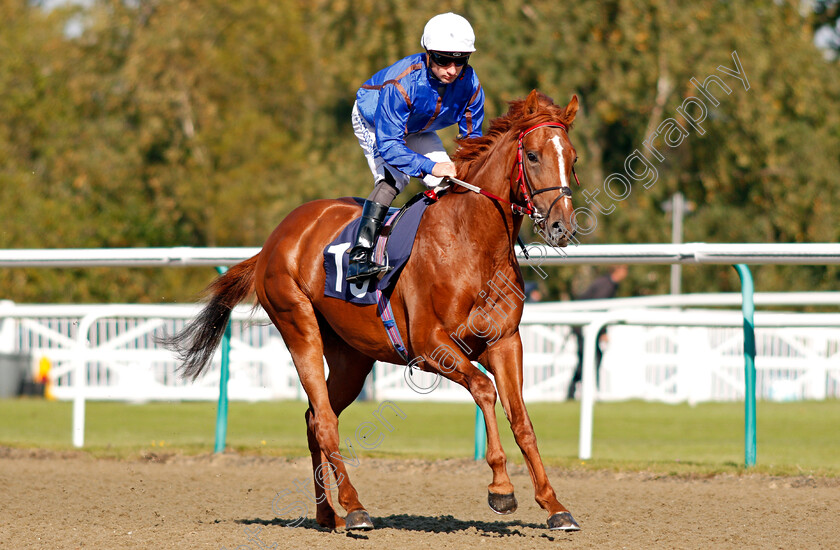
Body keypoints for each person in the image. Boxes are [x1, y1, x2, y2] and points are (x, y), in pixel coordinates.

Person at [346, 12, 485, 282]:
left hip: (418, 127)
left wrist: (463, 168)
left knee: (451, 182)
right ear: (428, 54)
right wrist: (431, 166)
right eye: (444, 60)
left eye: (460, 61)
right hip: (375, 122)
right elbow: (390, 146)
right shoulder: (402, 82)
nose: (452, 70)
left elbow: (472, 141)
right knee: (394, 178)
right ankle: (359, 256)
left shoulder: (470, 84)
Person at [566, 265, 629, 400]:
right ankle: (577, 391)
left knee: (590, 356)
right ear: (618, 270)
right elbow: (599, 308)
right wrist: (602, 332)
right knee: (588, 357)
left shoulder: (608, 283)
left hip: (583, 322)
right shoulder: (606, 285)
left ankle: (578, 391)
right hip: (581, 323)